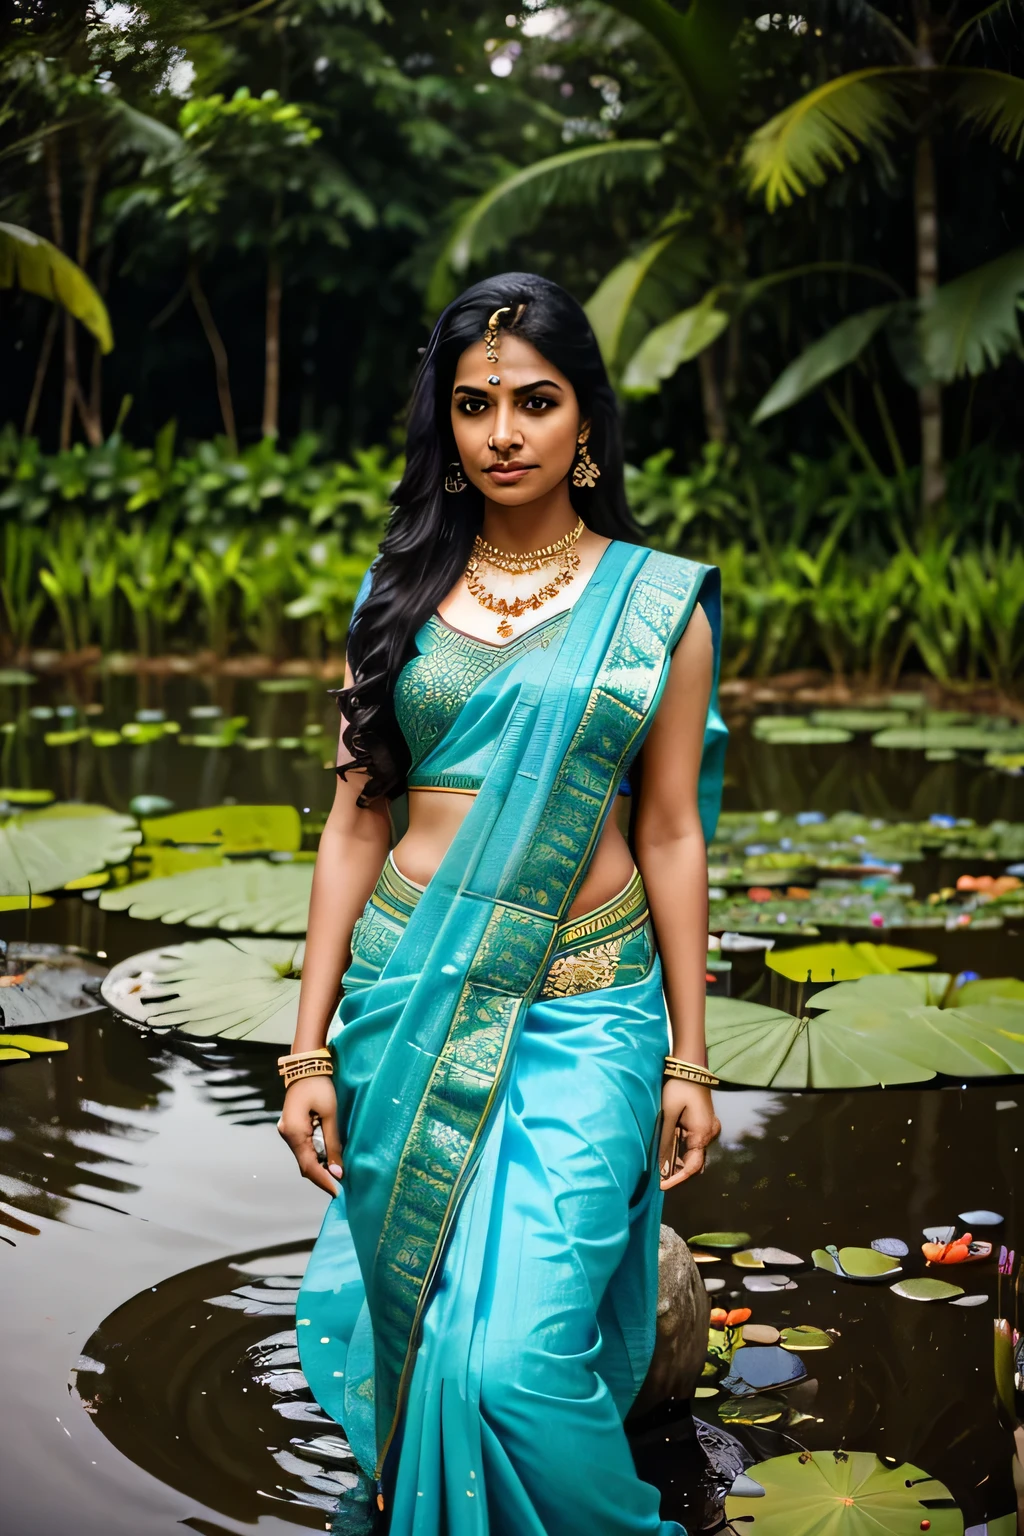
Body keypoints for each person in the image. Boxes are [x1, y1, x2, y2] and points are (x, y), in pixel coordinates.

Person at [277, 272, 728, 1535]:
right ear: (447, 422)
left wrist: (692, 1061)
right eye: (474, 406)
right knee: (422, 1337)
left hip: (586, 1011)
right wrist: (308, 1045)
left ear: (586, 421)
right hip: (401, 1005)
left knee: (512, 1367)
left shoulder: (655, 608)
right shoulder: (398, 595)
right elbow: (355, 818)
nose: (505, 433)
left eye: (536, 401)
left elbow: (673, 831)